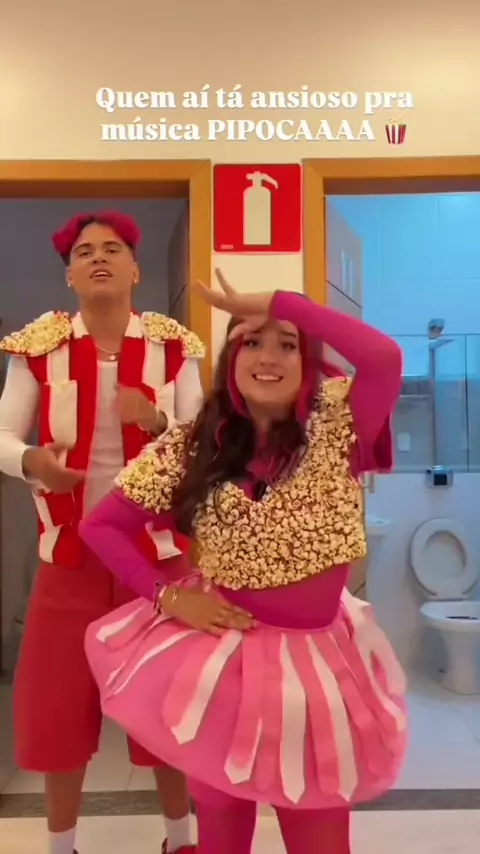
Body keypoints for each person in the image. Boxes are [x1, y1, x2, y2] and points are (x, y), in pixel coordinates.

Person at [80, 270, 407, 854]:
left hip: (316, 671)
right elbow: (100, 526)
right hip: (222, 665)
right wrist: (167, 595)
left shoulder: (337, 423)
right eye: (251, 341)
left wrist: (280, 303)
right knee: (222, 829)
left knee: (320, 831)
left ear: (309, 361)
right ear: (230, 359)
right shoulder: (191, 444)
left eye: (288, 344)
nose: (269, 357)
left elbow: (383, 357)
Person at [0, 211, 205, 854]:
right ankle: (61, 847)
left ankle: (181, 841)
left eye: (112, 248)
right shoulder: (38, 349)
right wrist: (32, 462)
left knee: (170, 707)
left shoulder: (175, 347)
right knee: (58, 709)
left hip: (159, 558)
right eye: (84, 251)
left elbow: (205, 445)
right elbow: (3, 436)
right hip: (69, 559)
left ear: (135, 269)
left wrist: (159, 422)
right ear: (69, 275)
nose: (98, 258)